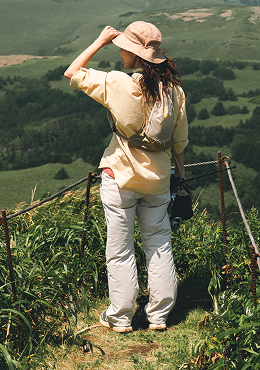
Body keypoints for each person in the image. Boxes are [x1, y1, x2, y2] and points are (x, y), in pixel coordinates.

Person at [64, 21, 188, 332]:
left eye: (123, 49)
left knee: (119, 250)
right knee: (159, 245)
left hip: (119, 176)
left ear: (133, 54)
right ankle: (158, 315)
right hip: (158, 179)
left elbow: (73, 72)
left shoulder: (120, 84)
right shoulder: (174, 91)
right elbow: (179, 140)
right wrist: (180, 172)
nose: (121, 53)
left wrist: (99, 41)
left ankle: (120, 317)